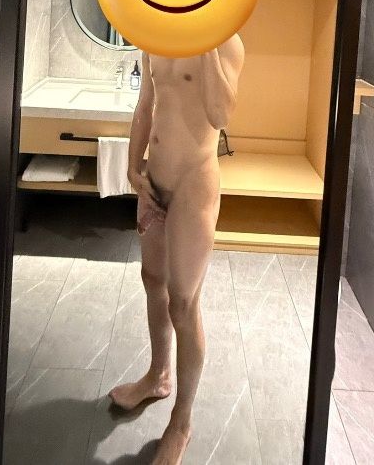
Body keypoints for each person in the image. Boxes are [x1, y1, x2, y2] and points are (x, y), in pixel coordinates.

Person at [109, 34, 245, 465]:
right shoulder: (154, 32)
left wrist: (207, 44)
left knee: (183, 304)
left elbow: (221, 114)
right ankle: (157, 375)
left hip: (194, 183)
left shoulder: (228, 43)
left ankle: (182, 422)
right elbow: (146, 103)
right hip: (155, 180)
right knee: (152, 280)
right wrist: (133, 166)